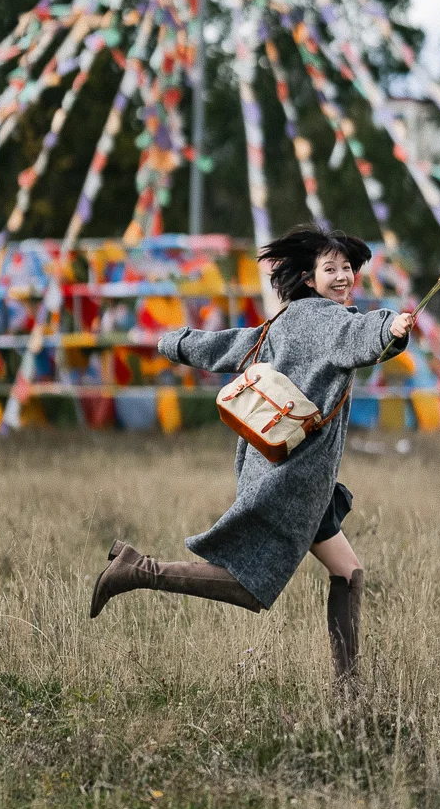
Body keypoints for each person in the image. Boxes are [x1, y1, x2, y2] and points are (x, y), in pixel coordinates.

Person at [89, 224, 413, 683]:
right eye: (330, 269)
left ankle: (349, 696)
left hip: (292, 473)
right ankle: (138, 570)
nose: (342, 277)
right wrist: (389, 328)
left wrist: (173, 342)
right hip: (291, 481)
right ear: (308, 277)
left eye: (347, 268)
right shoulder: (325, 319)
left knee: (348, 571)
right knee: (248, 588)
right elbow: (359, 334)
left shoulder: (290, 318)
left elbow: (233, 345)